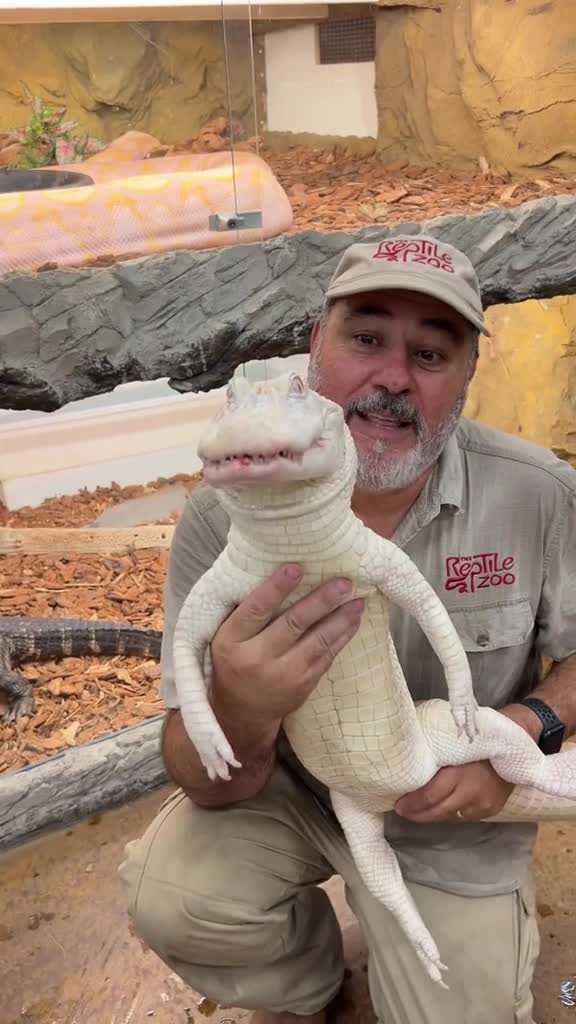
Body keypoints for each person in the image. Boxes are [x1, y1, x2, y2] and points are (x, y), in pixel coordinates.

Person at [118, 234, 576, 1024]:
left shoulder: (540, 494)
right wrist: (243, 706)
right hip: (293, 786)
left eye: (431, 354)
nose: (392, 378)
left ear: (469, 376)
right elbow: (198, 770)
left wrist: (519, 730)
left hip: (448, 804)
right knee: (173, 896)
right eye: (366, 339)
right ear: (315, 349)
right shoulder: (220, 515)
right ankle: (310, 984)